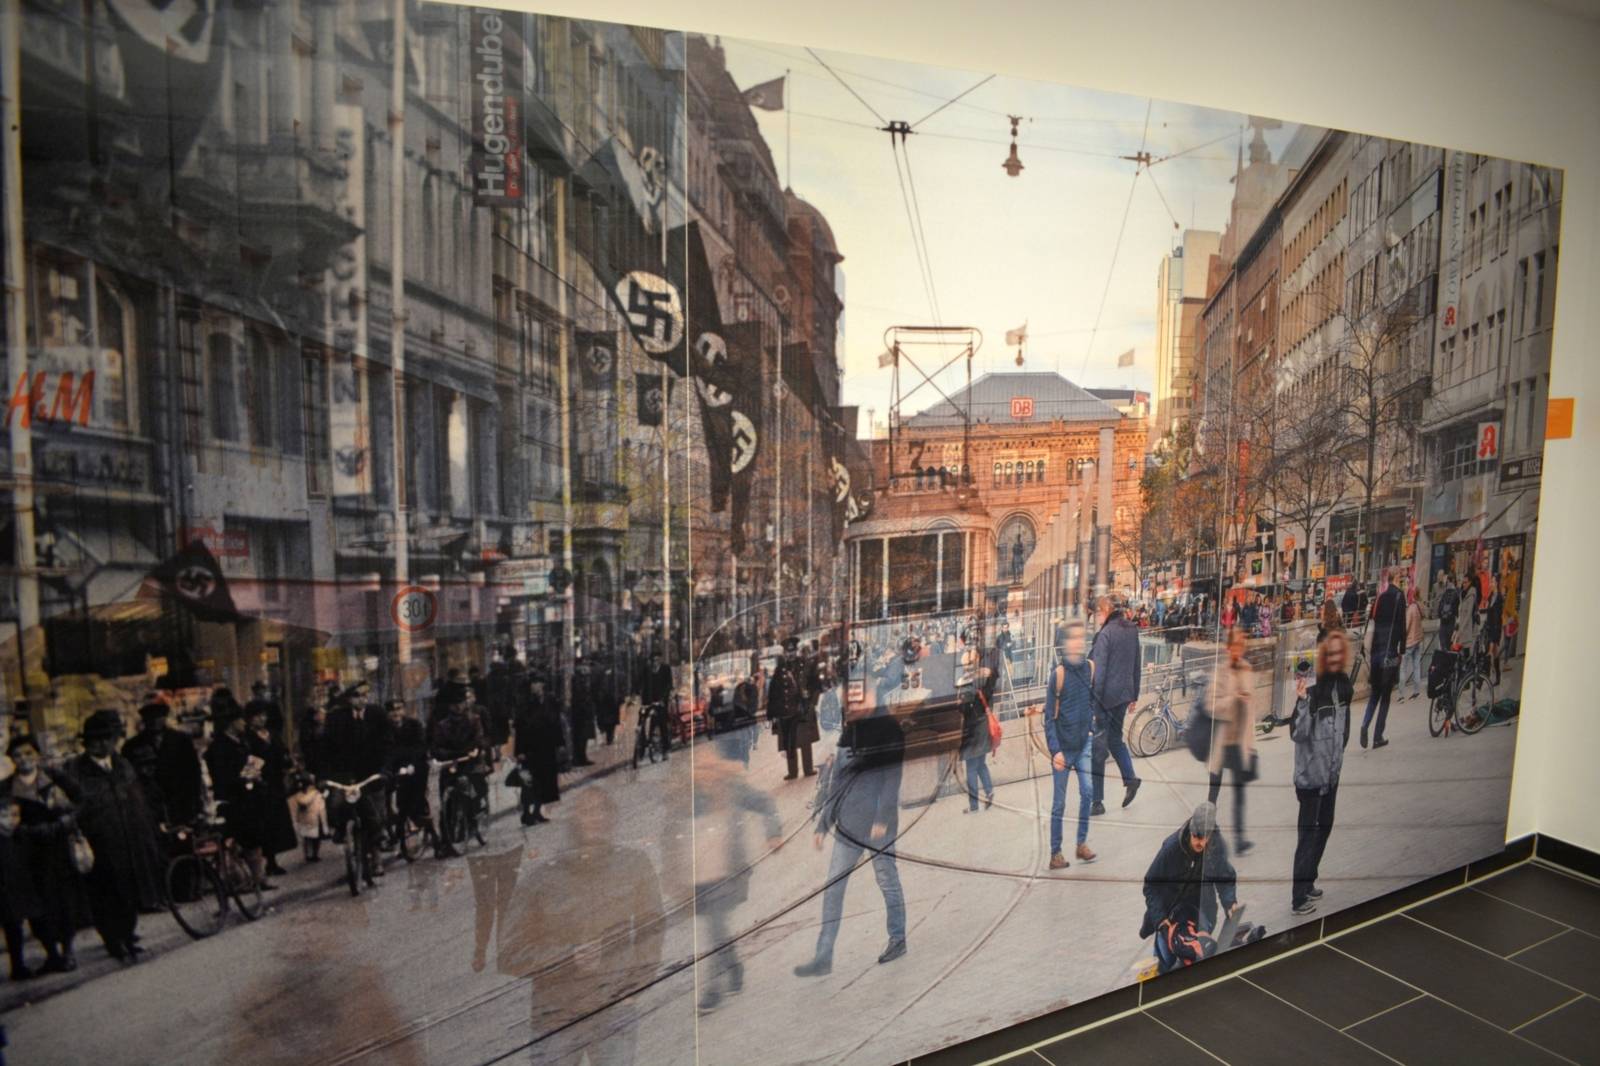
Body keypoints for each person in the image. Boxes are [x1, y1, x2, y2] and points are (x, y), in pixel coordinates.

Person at [793, 708, 907, 976]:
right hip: (849, 825)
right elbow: (836, 784)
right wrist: (823, 824)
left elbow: (892, 780)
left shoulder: (886, 729)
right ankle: (823, 956)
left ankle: (898, 938)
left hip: (878, 827)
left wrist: (883, 818)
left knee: (887, 881)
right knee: (833, 888)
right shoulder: (848, 734)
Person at [59, 710, 163, 962]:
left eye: (107, 738)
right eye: (96, 740)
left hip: (130, 840)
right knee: (105, 895)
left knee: (129, 892)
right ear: (87, 743)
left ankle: (127, 936)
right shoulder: (76, 770)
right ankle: (113, 941)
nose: (103, 744)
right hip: (100, 843)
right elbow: (69, 806)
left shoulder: (122, 764)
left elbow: (138, 799)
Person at [1290, 630, 1354, 915]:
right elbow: (1298, 733)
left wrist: (1337, 758)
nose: (1337, 658)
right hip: (1311, 776)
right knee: (1307, 834)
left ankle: (1308, 882)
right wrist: (1302, 702)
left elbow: (1344, 730)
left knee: (1325, 828)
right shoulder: (1314, 688)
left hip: (1331, 773)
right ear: (1325, 656)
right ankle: (1298, 897)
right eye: (1332, 653)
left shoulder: (1344, 687)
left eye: (1341, 653)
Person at [5, 736, 80, 972]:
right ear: (12, 760)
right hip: (26, 852)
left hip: (56, 847)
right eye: (18, 755)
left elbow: (82, 799)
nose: (24, 759)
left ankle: (68, 951)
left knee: (63, 900)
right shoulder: (7, 786)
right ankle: (51, 953)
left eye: (28, 753)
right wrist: (22, 830)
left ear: (37, 754)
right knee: (38, 905)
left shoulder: (55, 776)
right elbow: (4, 818)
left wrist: (68, 820)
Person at [1140, 801, 1240, 974]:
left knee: (1197, 955)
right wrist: (1160, 919)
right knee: (1165, 959)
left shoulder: (1216, 846)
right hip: (1170, 912)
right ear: (1191, 831)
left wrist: (1230, 902)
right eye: (1195, 836)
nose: (1198, 842)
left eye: (1202, 838)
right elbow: (1151, 885)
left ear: (1210, 835)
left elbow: (1225, 876)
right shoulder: (1171, 848)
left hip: (1201, 909)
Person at [1043, 620, 1096, 868]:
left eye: (1080, 637)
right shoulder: (1059, 675)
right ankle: (1056, 853)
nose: (1077, 642)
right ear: (1064, 644)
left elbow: (1091, 701)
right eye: (1072, 638)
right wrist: (1056, 751)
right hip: (1063, 749)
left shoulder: (1090, 669)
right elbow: (1048, 718)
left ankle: (1081, 844)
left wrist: (1091, 728)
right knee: (1059, 804)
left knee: (1088, 792)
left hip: (1083, 743)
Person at [205, 702, 272, 889]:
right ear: (231, 723)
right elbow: (223, 776)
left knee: (254, 838)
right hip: (234, 799)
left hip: (249, 798)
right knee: (240, 839)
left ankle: (258, 878)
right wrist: (246, 776)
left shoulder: (242, 741)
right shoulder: (219, 747)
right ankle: (242, 879)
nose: (244, 723)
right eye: (241, 719)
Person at [1089, 593, 1142, 815]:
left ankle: (1097, 802)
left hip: (1105, 700)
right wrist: (1134, 694)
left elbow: (1098, 673)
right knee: (1114, 739)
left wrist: (1094, 704)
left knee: (1098, 750)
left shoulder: (1105, 635)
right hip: (1123, 696)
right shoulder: (1132, 629)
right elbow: (1136, 663)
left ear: (1106, 611)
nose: (1097, 618)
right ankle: (1130, 779)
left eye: (1099, 613)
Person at [1207, 626, 1257, 854]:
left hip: (1239, 743)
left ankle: (1239, 839)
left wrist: (1252, 744)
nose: (1238, 650)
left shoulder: (1247, 669)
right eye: (1234, 646)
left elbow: (1251, 707)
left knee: (1239, 792)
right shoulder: (1220, 671)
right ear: (1228, 648)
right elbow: (1211, 705)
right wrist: (1233, 699)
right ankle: (1204, 832)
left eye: (1241, 646)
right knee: (1213, 794)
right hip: (1222, 742)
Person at [119, 698, 204, 828]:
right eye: (150, 717)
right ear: (144, 720)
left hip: (181, 803)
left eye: (158, 716)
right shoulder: (132, 746)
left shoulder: (181, 740)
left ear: (164, 717)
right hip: (150, 807)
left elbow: (194, 773)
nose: (154, 721)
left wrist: (196, 804)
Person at [246, 702, 298, 876]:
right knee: (265, 823)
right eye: (258, 716)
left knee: (276, 822)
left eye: (263, 715)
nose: (262, 719)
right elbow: (249, 762)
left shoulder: (272, 734)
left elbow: (283, 752)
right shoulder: (248, 738)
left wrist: (288, 763)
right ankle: (268, 861)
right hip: (260, 784)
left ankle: (273, 859)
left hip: (276, 782)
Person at [1360, 568, 1406, 750]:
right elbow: (1402, 625)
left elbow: (1371, 621)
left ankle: (1364, 724)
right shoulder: (1399, 597)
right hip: (1390, 652)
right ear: (1397, 578)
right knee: (1386, 696)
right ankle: (1377, 736)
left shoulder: (1380, 597)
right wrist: (1401, 649)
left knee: (1375, 694)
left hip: (1377, 650)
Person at [0, 796, 44, 980]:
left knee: (16, 927)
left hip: (16, 889)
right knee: (11, 927)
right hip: (3, 891)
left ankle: (18, 966)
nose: (11, 820)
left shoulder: (19, 836)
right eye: (4, 815)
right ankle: (17, 966)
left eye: (15, 815)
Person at [513, 677, 561, 826]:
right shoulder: (524, 704)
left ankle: (537, 811)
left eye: (539, 683)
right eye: (534, 683)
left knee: (545, 781)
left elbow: (556, 721)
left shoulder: (549, 700)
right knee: (529, 782)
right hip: (529, 749)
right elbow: (520, 728)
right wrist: (519, 751)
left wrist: (560, 743)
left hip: (546, 747)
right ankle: (526, 813)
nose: (537, 686)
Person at [769, 642, 817, 779]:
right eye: (788, 652)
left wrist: (812, 701)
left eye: (793, 651)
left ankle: (808, 769)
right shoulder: (780, 669)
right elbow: (774, 691)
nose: (791, 654)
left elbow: (815, 683)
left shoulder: (805, 664)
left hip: (803, 707)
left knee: (805, 740)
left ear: (797, 651)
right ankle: (792, 772)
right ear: (785, 653)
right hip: (787, 709)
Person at [641, 648, 675, 760]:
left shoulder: (666, 669)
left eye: (657, 659)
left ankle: (665, 749)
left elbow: (669, 684)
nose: (655, 662)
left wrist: (663, 698)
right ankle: (642, 747)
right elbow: (643, 684)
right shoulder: (647, 670)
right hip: (649, 700)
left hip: (661, 701)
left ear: (660, 659)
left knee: (662, 724)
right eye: (653, 660)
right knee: (642, 721)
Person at [1398, 584, 1426, 701]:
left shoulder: (1411, 609)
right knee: (1416, 666)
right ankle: (1416, 691)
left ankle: (1401, 695)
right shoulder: (1421, 606)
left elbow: (1405, 627)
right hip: (1419, 640)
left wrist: (1400, 641)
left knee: (1403, 668)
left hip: (1409, 642)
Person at [569, 659, 596, 767]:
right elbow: (581, 696)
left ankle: (581, 757)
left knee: (582, 737)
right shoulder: (577, 681)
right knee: (580, 736)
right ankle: (579, 758)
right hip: (581, 712)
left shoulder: (580, 680)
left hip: (583, 712)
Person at [1482, 581, 1504, 686]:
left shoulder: (1499, 598)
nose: (1490, 583)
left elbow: (1498, 616)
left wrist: (1497, 632)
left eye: (1493, 581)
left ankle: (1487, 676)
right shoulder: (1491, 596)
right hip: (1490, 627)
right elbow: (1489, 612)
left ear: (1496, 583)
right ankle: (1495, 675)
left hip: (1495, 628)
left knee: (1491, 652)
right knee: (1493, 653)